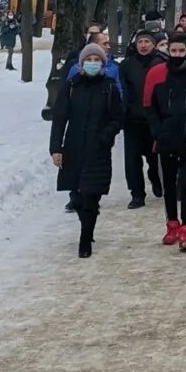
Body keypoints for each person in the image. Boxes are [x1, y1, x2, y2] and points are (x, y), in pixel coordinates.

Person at [50, 42, 125, 257]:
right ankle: (87, 224)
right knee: (78, 195)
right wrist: (56, 148)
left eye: (97, 60)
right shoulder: (71, 86)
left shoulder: (109, 87)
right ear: (82, 63)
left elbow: (118, 117)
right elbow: (60, 119)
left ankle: (85, 238)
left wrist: (106, 135)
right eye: (89, 60)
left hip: (98, 150)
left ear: (103, 63)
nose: (93, 64)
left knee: (92, 195)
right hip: (73, 148)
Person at [145, 31, 186, 249]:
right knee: (169, 182)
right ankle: (172, 222)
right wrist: (158, 131)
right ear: (168, 51)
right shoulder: (156, 73)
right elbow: (148, 106)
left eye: (182, 51)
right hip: (166, 135)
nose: (178, 54)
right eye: (174, 51)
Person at [119, 30, 166, 210]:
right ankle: (137, 194)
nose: (144, 45)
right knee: (132, 160)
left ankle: (155, 178)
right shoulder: (127, 64)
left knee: (154, 158)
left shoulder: (161, 62)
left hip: (153, 120)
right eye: (141, 42)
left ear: (154, 44)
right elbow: (121, 88)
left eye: (147, 41)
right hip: (132, 120)